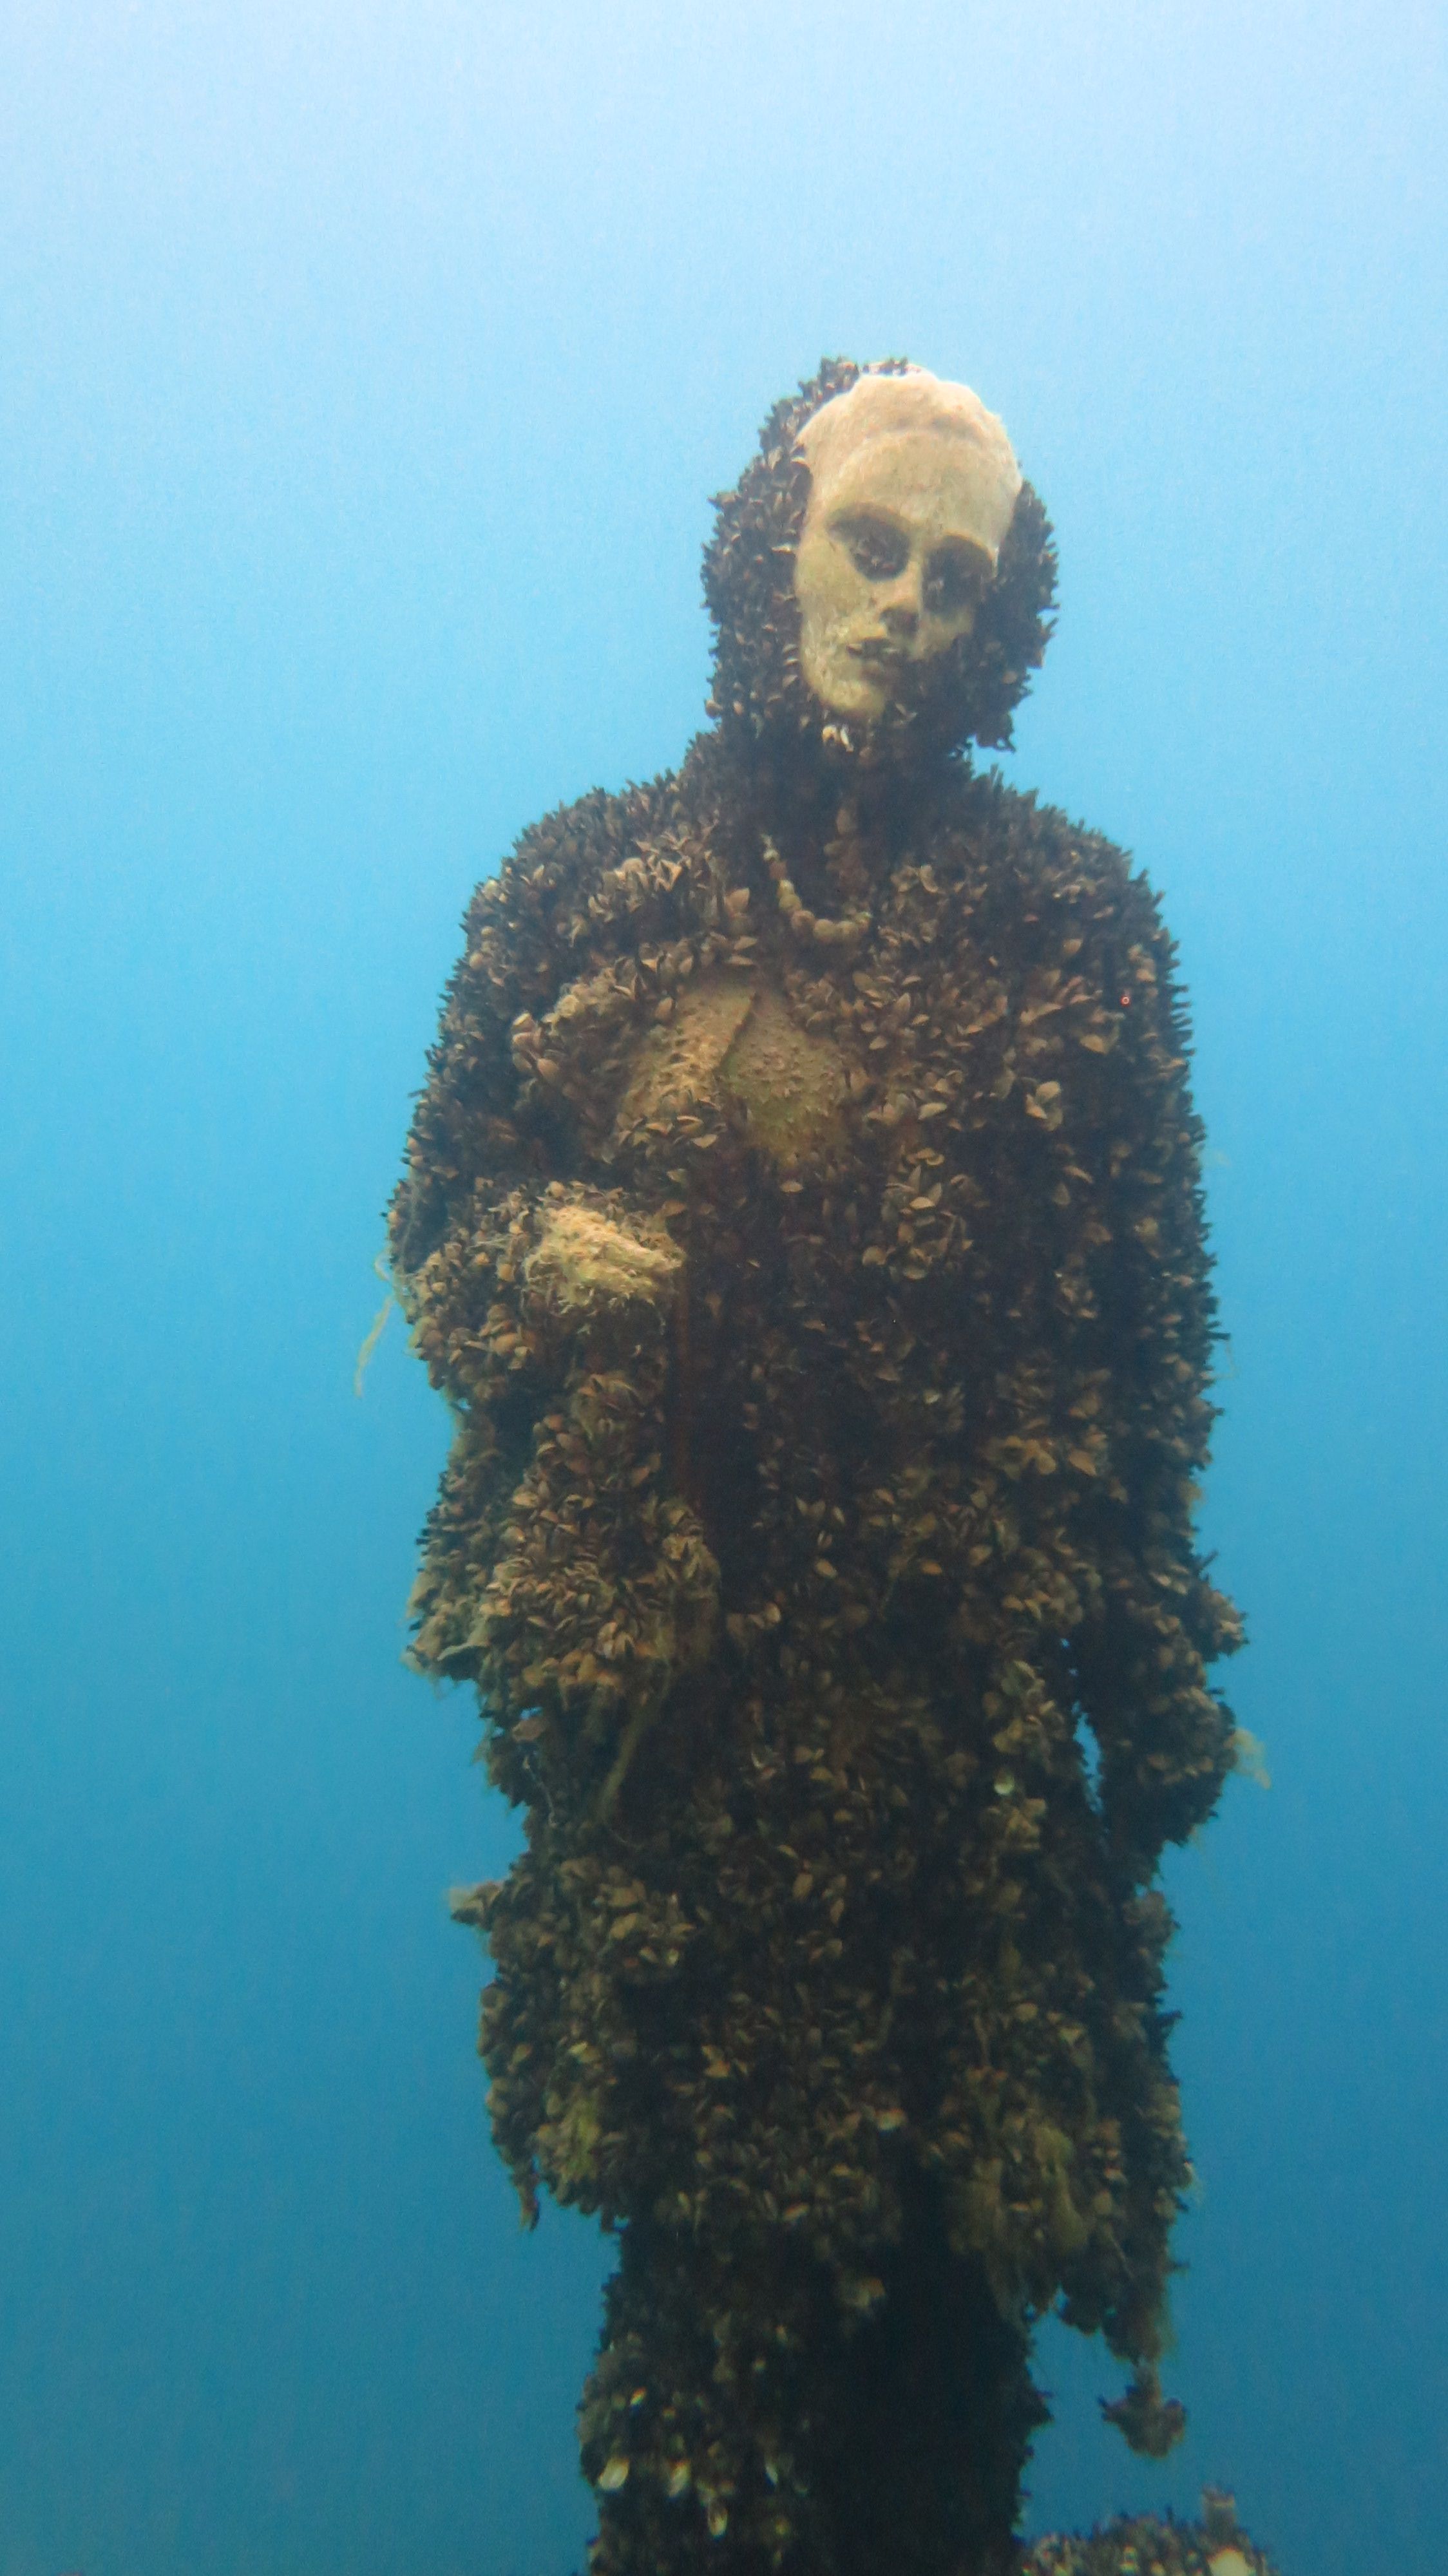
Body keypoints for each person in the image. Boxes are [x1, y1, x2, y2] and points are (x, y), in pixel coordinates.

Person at [390, 359, 1243, 2576]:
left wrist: (1154, 1693)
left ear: (1010, 621)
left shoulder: (1081, 935)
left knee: (948, 2398)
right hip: (686, 1766)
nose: (905, 609)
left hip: (976, 1790)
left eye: (960, 579)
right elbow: (440, 1237)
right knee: (708, 2408)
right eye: (870, 547)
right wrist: (529, 1265)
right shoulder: (584, 891)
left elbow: (1144, 1358)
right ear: (768, 547)